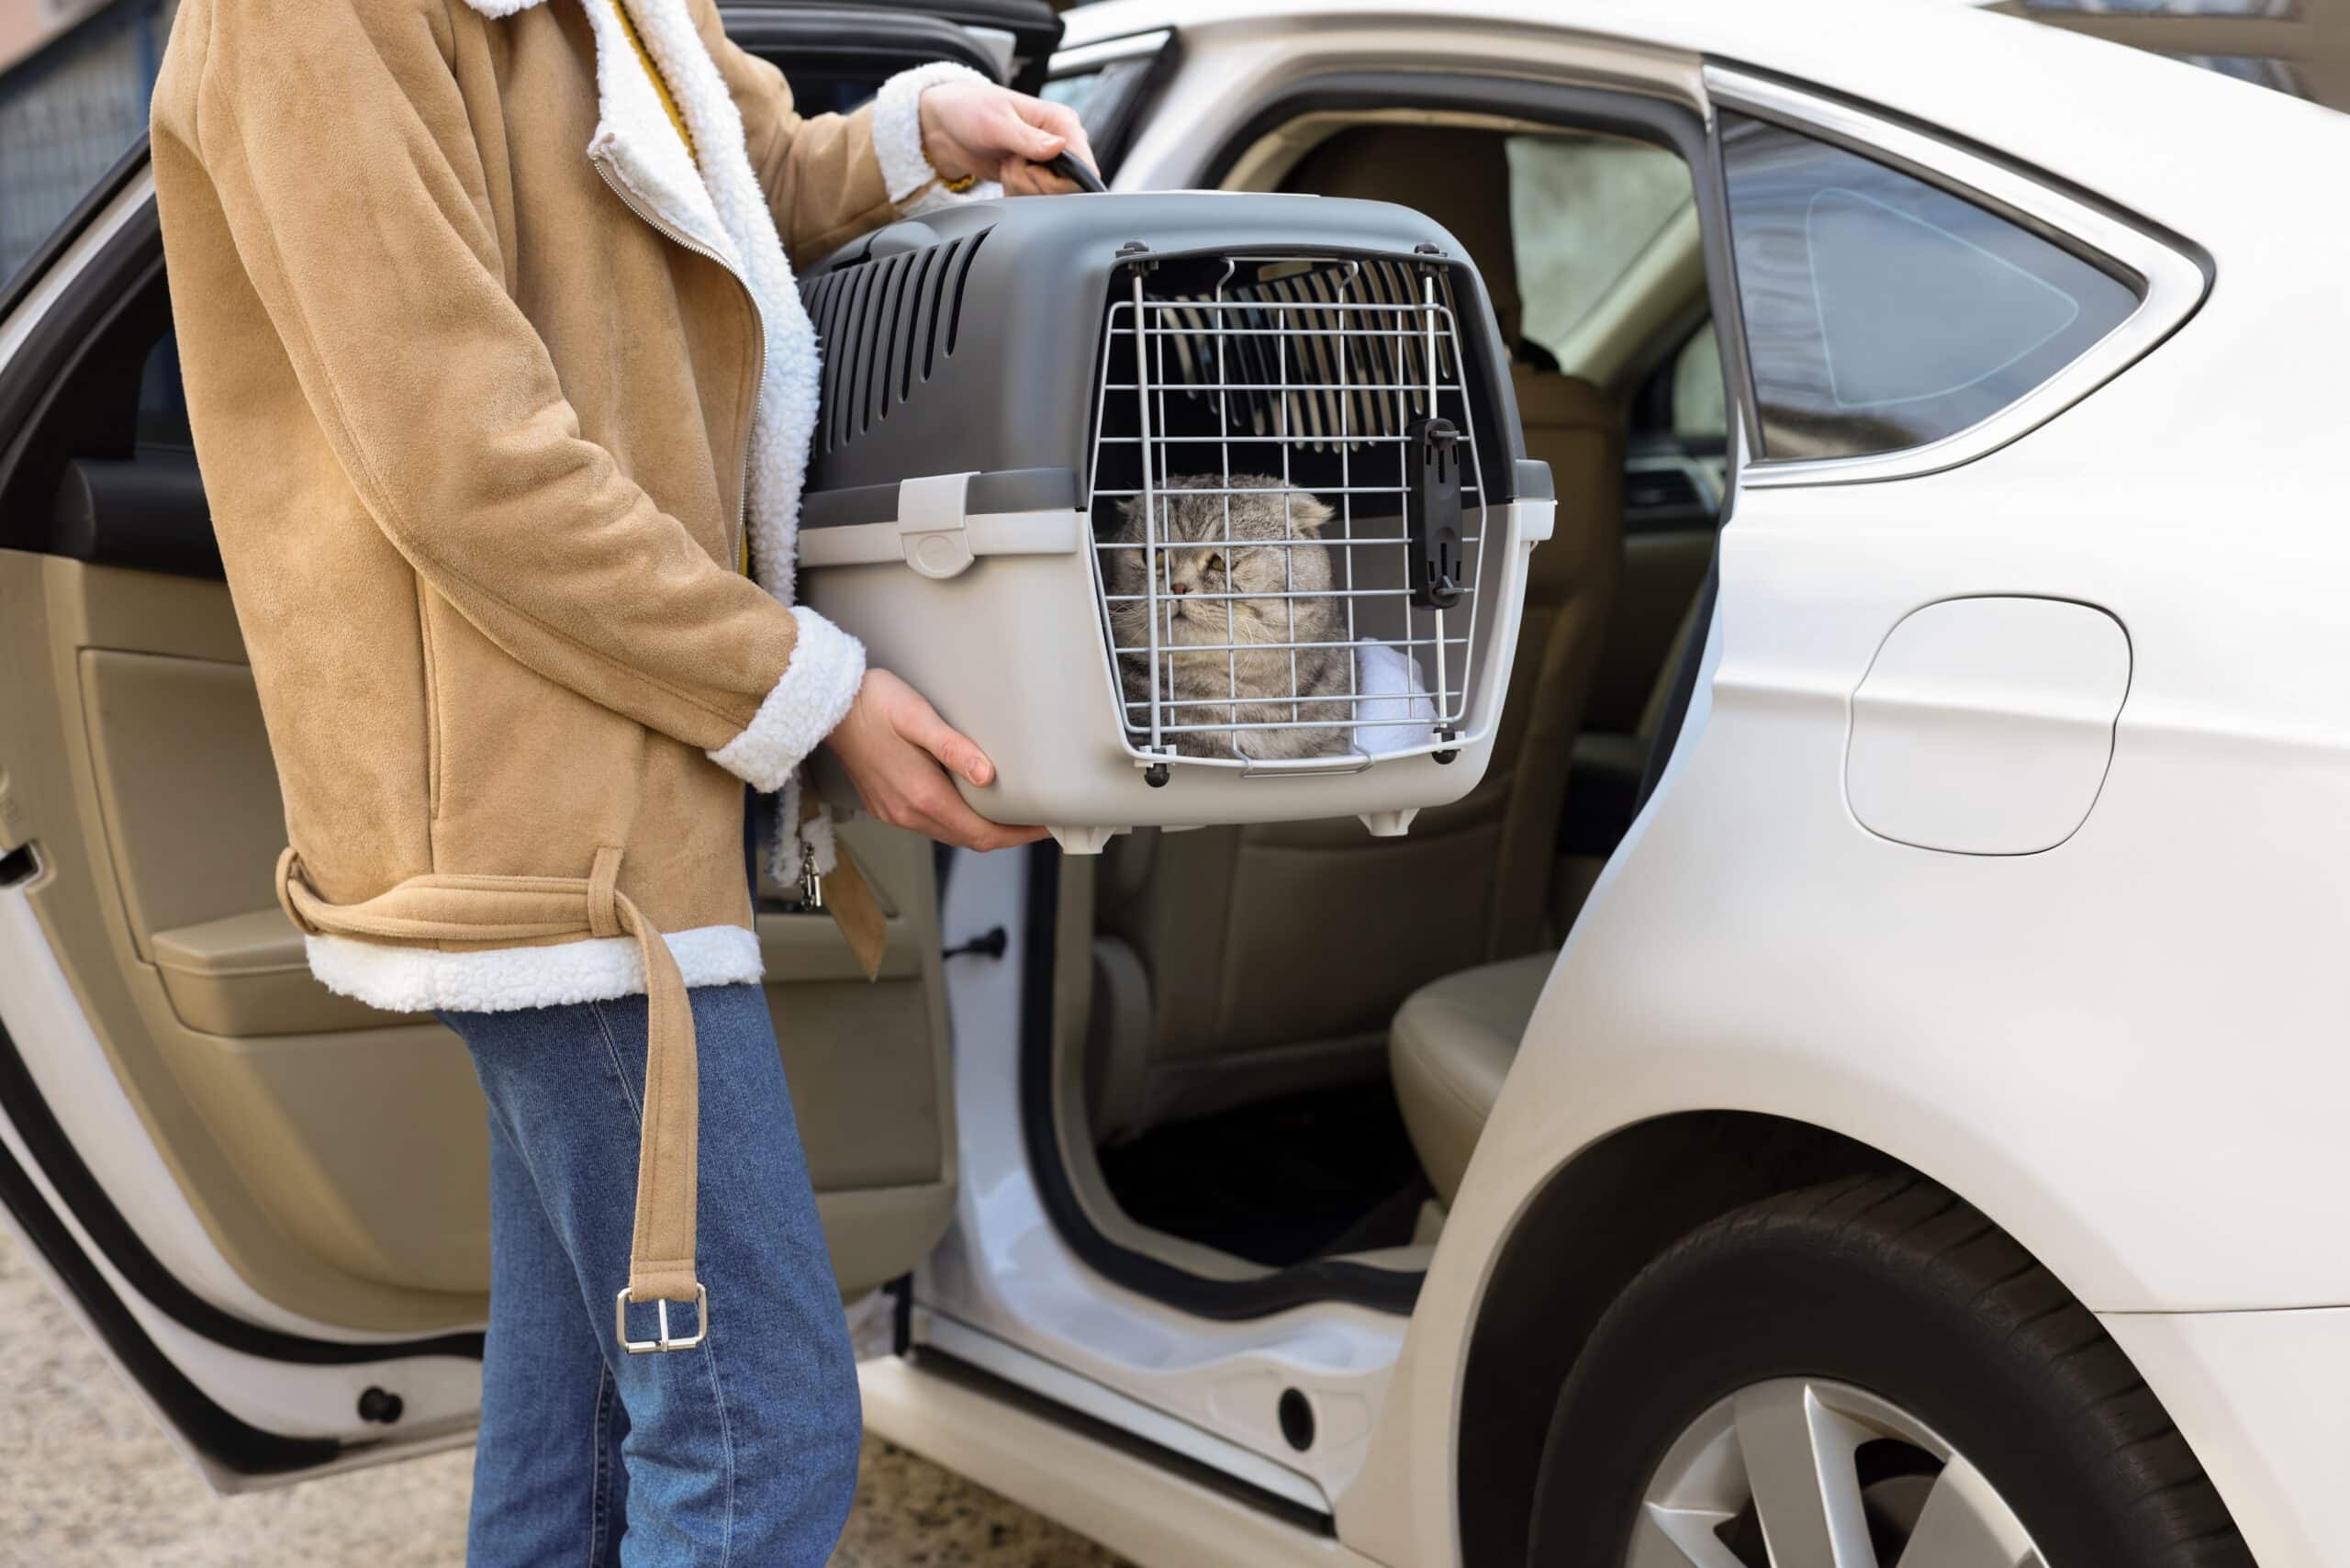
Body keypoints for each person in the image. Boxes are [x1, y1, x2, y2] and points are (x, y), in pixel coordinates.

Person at [149, 0, 1086, 1561]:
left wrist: (919, 136)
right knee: (757, 1429)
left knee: (581, 1420)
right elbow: (468, 468)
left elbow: (734, 174)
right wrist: (806, 687)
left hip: (621, 788)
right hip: (530, 824)